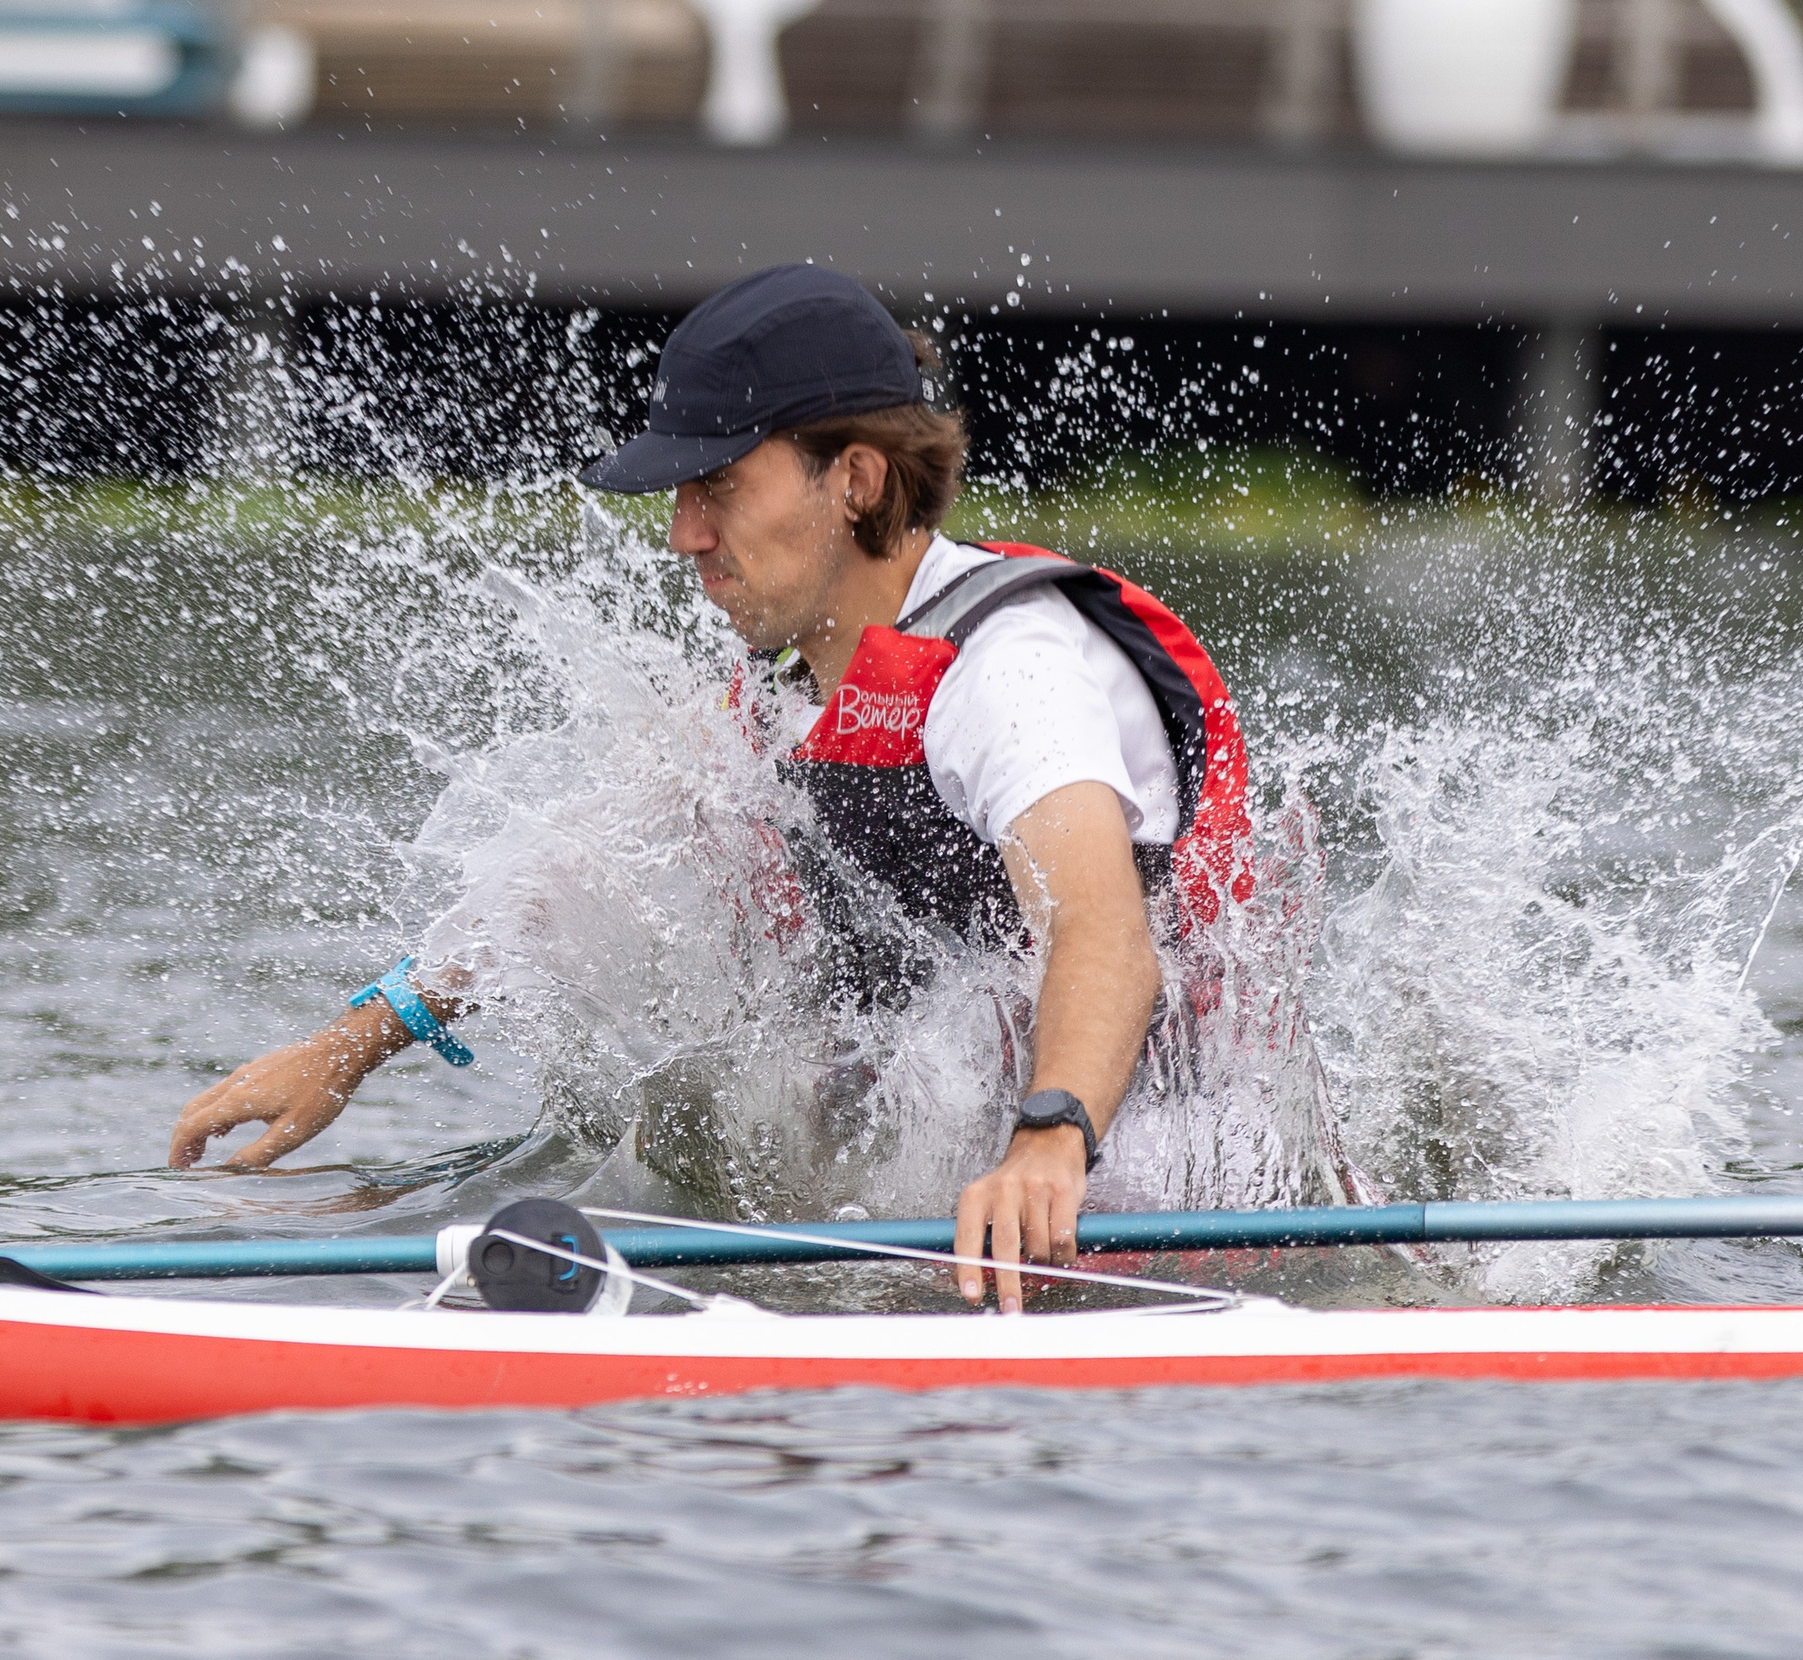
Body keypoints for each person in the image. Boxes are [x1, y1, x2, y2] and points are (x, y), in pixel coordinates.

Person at [168, 264, 1255, 1310]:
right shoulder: (780, 684)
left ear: (856, 480)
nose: (684, 533)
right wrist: (348, 1046)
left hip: (1148, 1191)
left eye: (720, 485)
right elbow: (570, 882)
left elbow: (1103, 936)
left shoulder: (1008, 670)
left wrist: (1048, 1142)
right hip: (982, 1179)